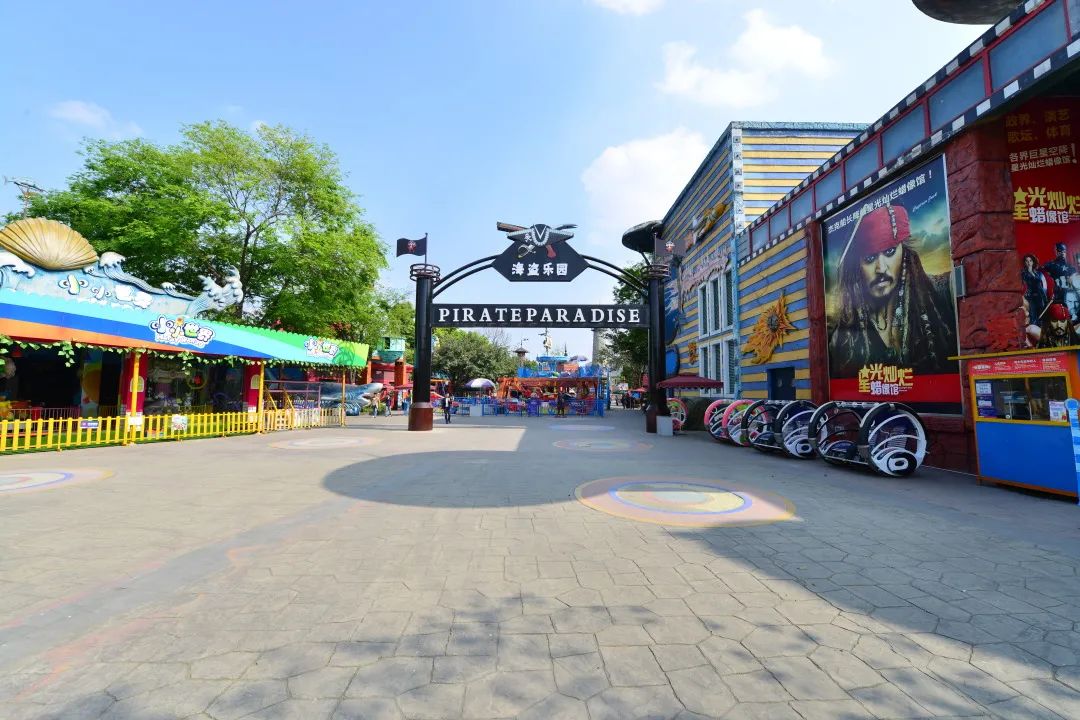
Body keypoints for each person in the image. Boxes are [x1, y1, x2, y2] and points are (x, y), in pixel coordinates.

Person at [828, 204, 957, 376]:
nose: (881, 268)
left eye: (890, 251)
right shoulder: (843, 338)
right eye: (870, 258)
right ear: (856, 268)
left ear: (904, 252)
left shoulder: (944, 293)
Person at [1021, 253, 1052, 326]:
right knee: (1033, 317)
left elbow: (1040, 287)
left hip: (1040, 297)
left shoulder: (1038, 273)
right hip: (1030, 298)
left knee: (1042, 316)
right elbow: (1023, 285)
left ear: (1033, 262)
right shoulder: (1023, 273)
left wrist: (1045, 299)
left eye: (1030, 260)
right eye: (1027, 261)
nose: (1029, 262)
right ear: (1024, 263)